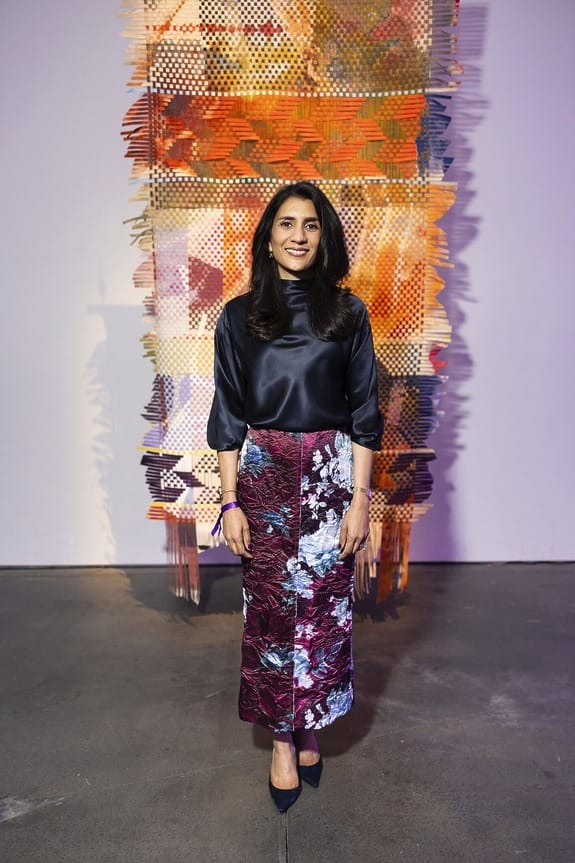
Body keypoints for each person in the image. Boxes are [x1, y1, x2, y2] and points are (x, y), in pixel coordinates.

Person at [207, 181, 382, 812]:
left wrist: (361, 500)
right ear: (269, 236)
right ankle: (282, 741)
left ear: (323, 236)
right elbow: (228, 412)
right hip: (264, 476)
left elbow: (365, 412)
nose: (298, 236)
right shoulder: (238, 317)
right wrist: (229, 501)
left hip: (333, 476)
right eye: (286, 223)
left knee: (325, 613)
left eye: (310, 224)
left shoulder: (349, 314)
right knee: (273, 612)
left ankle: (309, 723)